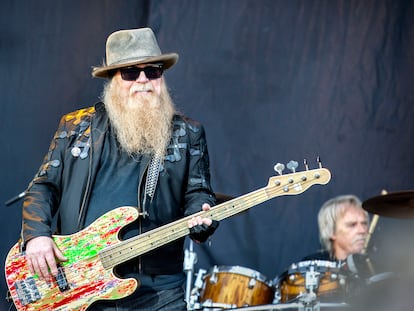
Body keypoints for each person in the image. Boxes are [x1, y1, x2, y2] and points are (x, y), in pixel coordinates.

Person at [20, 27, 218, 311]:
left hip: (158, 289)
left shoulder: (187, 132)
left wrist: (203, 213)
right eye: (130, 73)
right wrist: (37, 235)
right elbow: (43, 186)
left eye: (153, 71)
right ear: (112, 78)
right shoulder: (75, 127)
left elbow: (198, 192)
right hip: (80, 282)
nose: (143, 80)